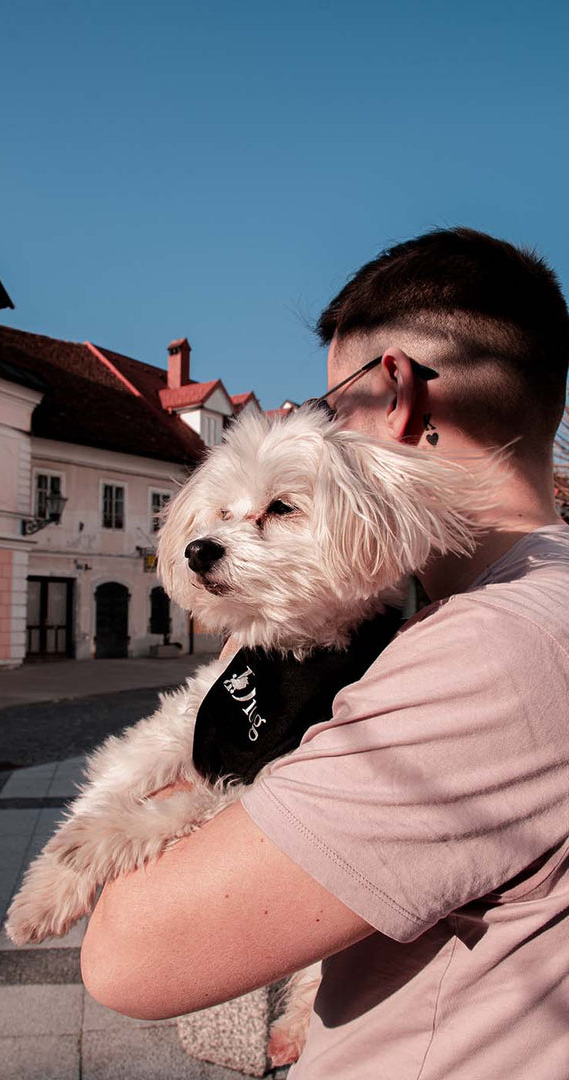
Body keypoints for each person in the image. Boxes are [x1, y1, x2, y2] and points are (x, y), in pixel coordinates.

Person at [81, 228, 569, 1078]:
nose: (316, 431)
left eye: (330, 411)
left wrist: (250, 676)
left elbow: (130, 959)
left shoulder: (496, 648)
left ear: (397, 397)